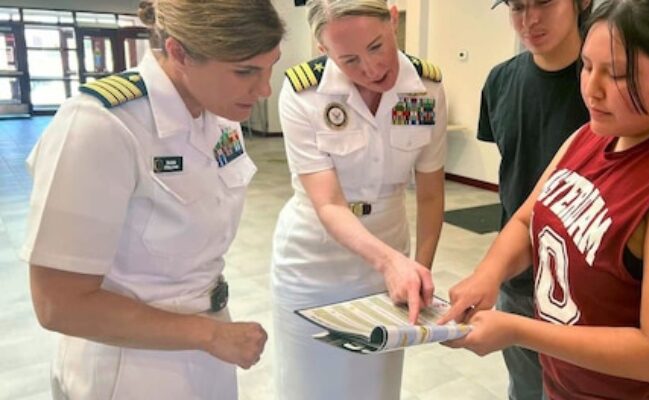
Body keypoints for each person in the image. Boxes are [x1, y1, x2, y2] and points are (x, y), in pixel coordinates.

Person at [440, 0, 649, 399]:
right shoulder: (596, 134)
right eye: (586, 66)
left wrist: (517, 329)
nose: (591, 90)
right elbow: (528, 219)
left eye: (615, 74)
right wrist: (487, 274)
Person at [20, 1, 284, 398]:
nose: (264, 90)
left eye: (270, 67)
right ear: (179, 52)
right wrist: (208, 334)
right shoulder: (101, 126)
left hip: (207, 346)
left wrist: (211, 334)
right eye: (245, 71)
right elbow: (59, 303)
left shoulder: (220, 113)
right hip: (129, 365)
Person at [270, 0, 447, 399]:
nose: (371, 69)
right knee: (309, 385)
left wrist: (419, 270)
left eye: (377, 46)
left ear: (394, 19)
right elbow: (328, 203)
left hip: (389, 255)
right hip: (314, 263)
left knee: (376, 387)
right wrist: (391, 263)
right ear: (323, 51)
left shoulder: (425, 89)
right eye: (349, 59)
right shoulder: (305, 93)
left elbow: (432, 194)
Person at [478, 1, 591, 398]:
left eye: (544, 2)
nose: (529, 20)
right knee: (525, 389)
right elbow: (517, 177)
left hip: (590, 286)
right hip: (520, 275)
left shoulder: (605, 87)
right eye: (518, 7)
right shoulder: (500, 82)